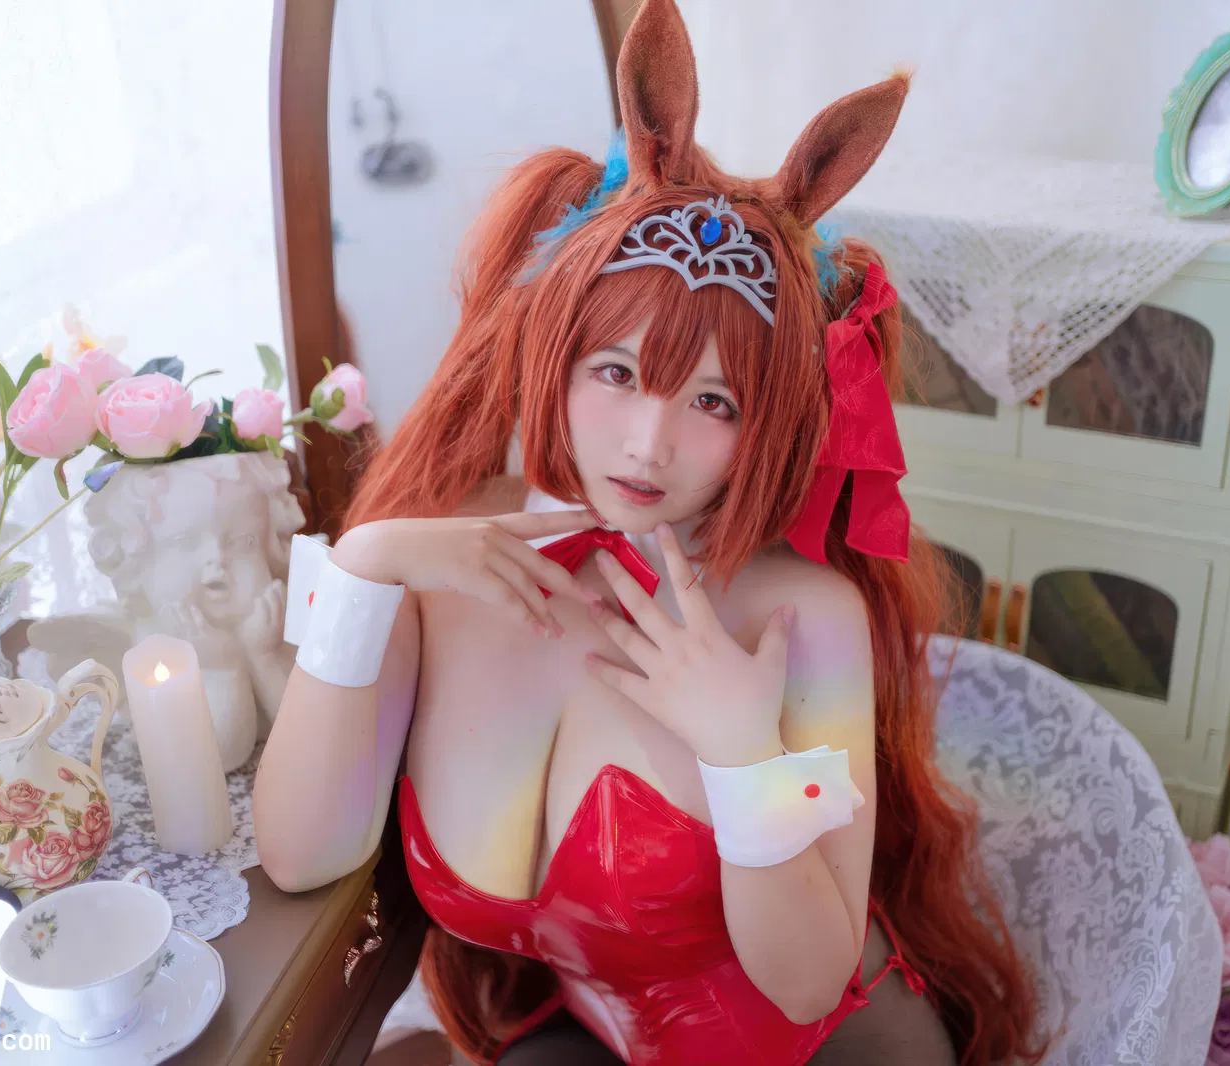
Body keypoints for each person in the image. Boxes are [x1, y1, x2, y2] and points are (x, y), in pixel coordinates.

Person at [255, 2, 1042, 1063]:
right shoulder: (439, 562)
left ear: (768, 425)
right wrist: (365, 562)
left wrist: (742, 748)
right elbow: (301, 853)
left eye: (713, 403)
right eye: (617, 372)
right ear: (556, 355)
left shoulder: (801, 619)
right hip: (586, 1034)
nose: (648, 443)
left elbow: (809, 981)